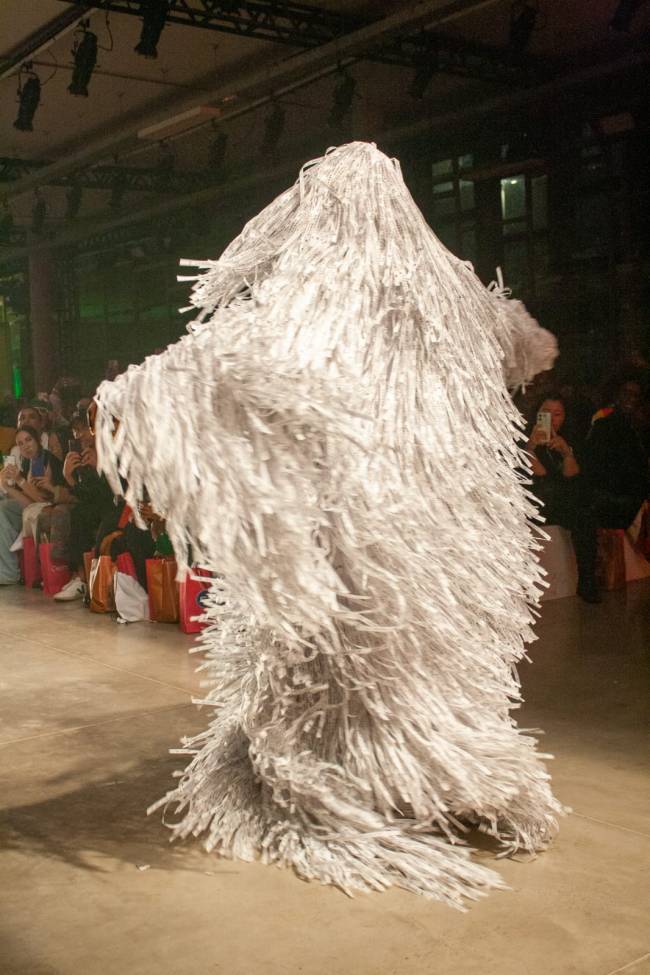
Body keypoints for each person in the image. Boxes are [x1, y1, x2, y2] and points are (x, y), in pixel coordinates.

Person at [527, 395, 600, 603]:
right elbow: (540, 476)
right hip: (536, 501)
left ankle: (587, 580)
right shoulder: (524, 438)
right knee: (564, 495)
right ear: (537, 413)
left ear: (565, 417)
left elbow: (573, 476)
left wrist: (567, 453)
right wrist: (530, 448)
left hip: (562, 502)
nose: (551, 419)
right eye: (546, 413)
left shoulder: (568, 439)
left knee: (585, 514)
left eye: (557, 414)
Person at [0, 426, 63, 584]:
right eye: (20, 444)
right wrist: (6, 485)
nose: (25, 446)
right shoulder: (28, 461)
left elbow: (42, 501)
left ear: (38, 441)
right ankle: (7, 570)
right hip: (34, 507)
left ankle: (11, 571)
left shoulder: (46, 459)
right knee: (3, 508)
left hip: (53, 506)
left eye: (28, 440)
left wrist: (20, 480)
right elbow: (28, 501)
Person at [583, 377, 649, 531]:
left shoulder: (639, 428)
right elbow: (592, 463)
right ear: (618, 394)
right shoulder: (604, 423)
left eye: (635, 395)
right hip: (610, 503)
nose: (630, 398)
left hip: (632, 504)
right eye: (626, 393)